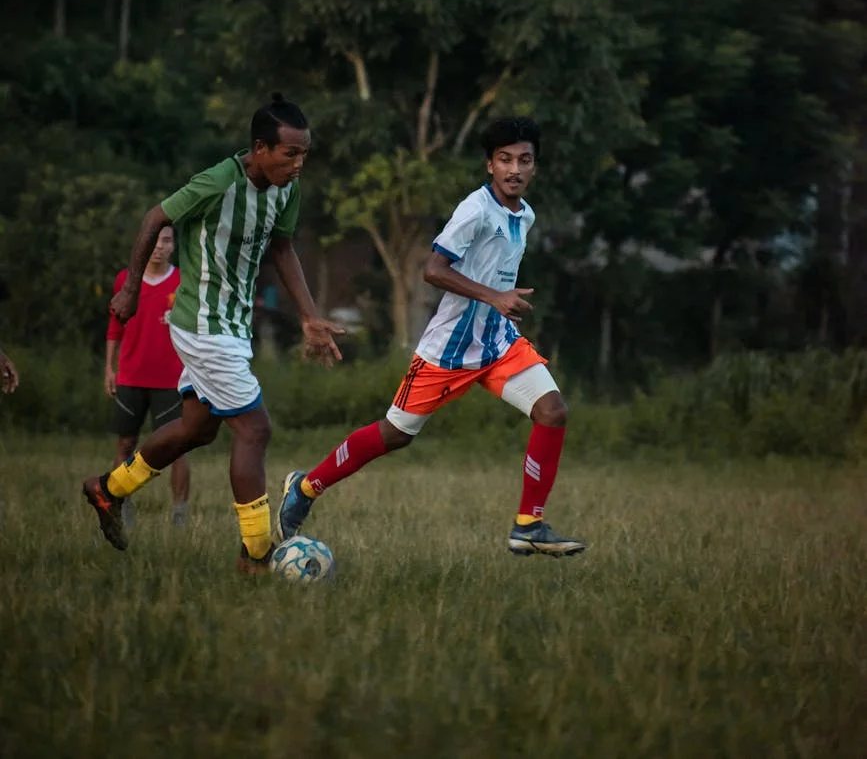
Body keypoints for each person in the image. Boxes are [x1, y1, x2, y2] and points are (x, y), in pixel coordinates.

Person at [279, 116, 585, 558]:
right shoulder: (474, 210)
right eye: (504, 160)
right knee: (395, 433)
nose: (514, 169)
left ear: (535, 166)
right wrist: (493, 296)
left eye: (524, 160)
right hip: (447, 351)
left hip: (497, 343)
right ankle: (306, 487)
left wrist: (500, 301)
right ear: (489, 165)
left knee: (553, 412)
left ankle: (529, 524)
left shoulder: (526, 214)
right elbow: (433, 270)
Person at [83, 92, 343, 573]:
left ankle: (107, 489)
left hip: (231, 327)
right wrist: (132, 290)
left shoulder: (288, 188)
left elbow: (282, 248)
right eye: (290, 153)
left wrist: (308, 316)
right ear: (261, 148)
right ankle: (258, 557)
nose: (299, 163)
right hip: (202, 326)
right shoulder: (217, 182)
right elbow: (155, 218)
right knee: (254, 428)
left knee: (197, 430)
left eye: (305, 153)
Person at [105, 223, 189, 528]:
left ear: (174, 245)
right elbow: (115, 326)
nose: (159, 246)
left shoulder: (184, 281)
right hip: (130, 377)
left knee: (179, 448)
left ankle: (180, 512)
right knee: (126, 445)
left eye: (166, 240)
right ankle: (119, 504)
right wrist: (109, 368)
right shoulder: (126, 281)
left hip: (173, 381)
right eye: (154, 240)